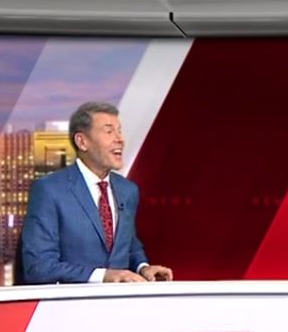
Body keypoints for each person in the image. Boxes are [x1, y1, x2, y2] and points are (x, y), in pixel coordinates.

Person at [18, 101, 173, 284]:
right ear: (82, 142)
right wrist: (103, 276)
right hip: (73, 301)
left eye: (119, 131)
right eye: (109, 131)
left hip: (121, 301)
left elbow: (129, 246)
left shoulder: (128, 190)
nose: (120, 139)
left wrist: (143, 268)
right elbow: (39, 267)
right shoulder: (50, 190)